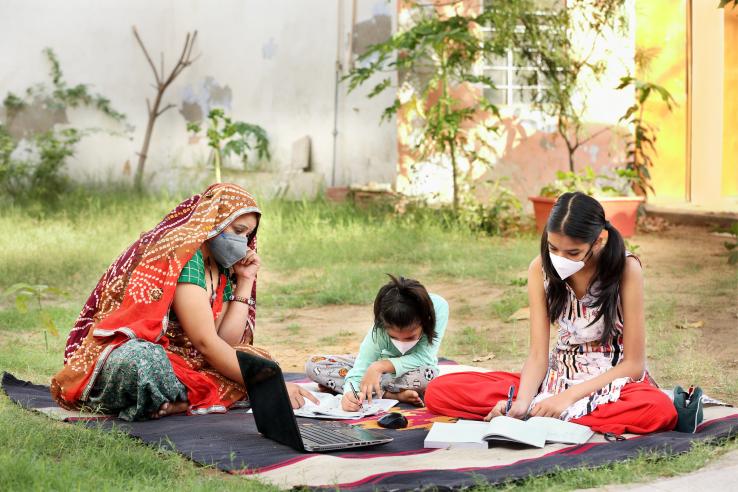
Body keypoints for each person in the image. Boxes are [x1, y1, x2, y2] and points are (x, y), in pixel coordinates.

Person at [51, 183, 317, 421]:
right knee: (144, 362)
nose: (242, 242)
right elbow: (206, 343)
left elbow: (225, 341)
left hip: (187, 360)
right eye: (237, 230)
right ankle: (178, 396)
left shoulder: (224, 266)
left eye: (247, 235)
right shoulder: (187, 256)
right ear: (213, 220)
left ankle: (178, 400)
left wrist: (245, 279)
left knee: (256, 359)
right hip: (144, 352)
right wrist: (273, 386)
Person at [425, 192, 677, 435]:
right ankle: (545, 412)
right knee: (439, 390)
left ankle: (554, 413)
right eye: (553, 248)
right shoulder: (540, 268)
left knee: (658, 410)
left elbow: (633, 365)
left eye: (573, 252)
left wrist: (565, 399)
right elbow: (537, 354)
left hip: (612, 383)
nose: (559, 258)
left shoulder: (626, 268)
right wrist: (522, 403)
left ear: (598, 240)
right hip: (556, 377)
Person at [305, 275, 449, 411]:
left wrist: (378, 367)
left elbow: (424, 357)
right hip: (381, 370)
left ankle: (370, 390)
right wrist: (350, 394)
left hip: (414, 368)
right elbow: (361, 367)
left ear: (425, 322)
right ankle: (389, 395)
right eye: (393, 337)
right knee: (314, 364)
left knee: (428, 377)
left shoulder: (437, 309)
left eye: (410, 338)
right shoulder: (379, 329)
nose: (401, 343)